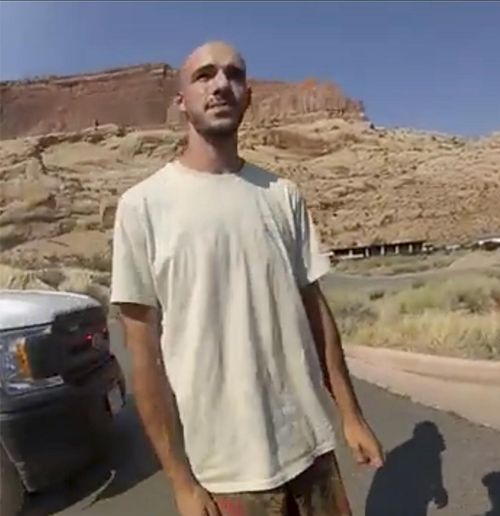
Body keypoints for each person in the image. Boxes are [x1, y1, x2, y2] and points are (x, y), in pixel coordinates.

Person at [110, 41, 384, 516]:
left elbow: (316, 314)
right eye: (204, 75)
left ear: (248, 95)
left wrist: (351, 415)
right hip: (225, 474)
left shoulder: (282, 195)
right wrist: (180, 482)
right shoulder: (143, 207)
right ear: (181, 101)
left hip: (311, 452)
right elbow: (145, 360)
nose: (221, 85)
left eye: (234, 75)